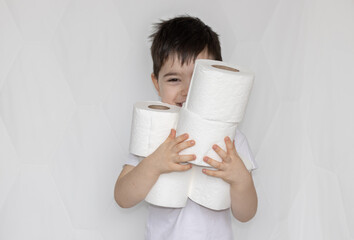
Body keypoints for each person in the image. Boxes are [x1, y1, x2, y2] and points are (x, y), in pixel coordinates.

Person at [114, 15, 258, 240]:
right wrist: (154, 164)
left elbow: (246, 214)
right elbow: (123, 197)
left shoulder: (231, 140)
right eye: (174, 80)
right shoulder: (155, 135)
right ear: (156, 83)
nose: (187, 91)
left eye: (199, 79)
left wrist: (241, 180)